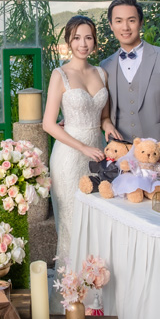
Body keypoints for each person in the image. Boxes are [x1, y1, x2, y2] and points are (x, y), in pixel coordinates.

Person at [43, 15, 117, 262]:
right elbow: (49, 124)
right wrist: (83, 147)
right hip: (69, 156)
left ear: (95, 42)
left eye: (88, 38)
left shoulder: (101, 73)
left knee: (97, 220)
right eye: (77, 38)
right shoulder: (60, 75)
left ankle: (96, 290)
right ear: (68, 41)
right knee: (72, 224)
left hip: (97, 154)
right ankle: (72, 292)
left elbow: (103, 117)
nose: (83, 44)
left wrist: (108, 128)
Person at [101, 0, 160, 166]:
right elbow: (101, 108)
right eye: (118, 21)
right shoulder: (105, 66)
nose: (125, 27)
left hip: (159, 153)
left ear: (140, 22)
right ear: (111, 25)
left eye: (131, 20)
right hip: (122, 157)